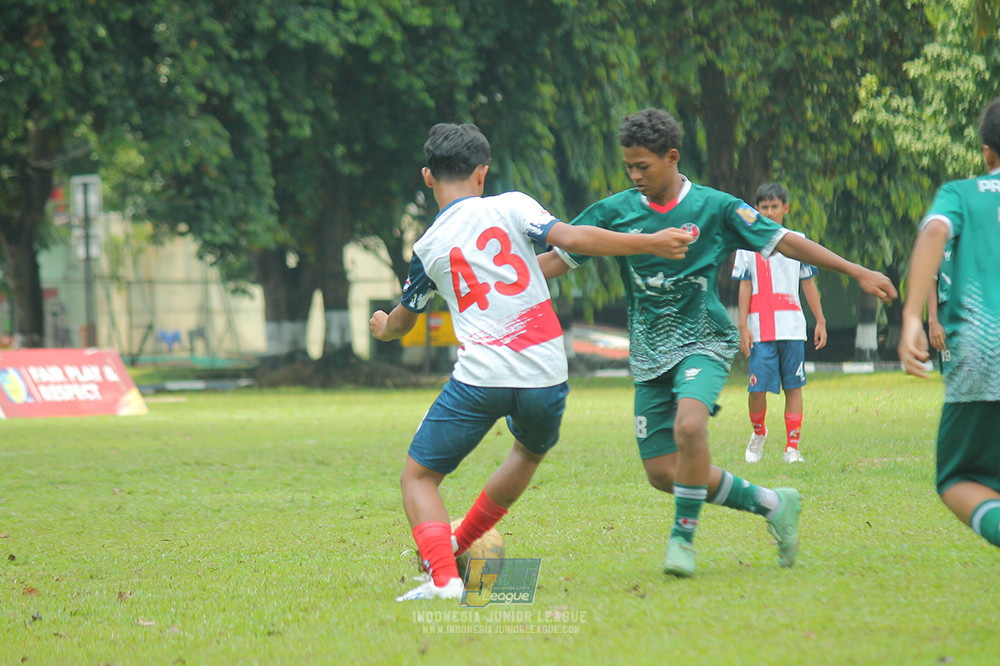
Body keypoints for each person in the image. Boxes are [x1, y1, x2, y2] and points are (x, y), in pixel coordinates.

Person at [539, 108, 896, 577]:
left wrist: (856, 270)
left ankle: (682, 540)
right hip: (649, 353)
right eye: (628, 167)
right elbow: (557, 260)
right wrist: (495, 282)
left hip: (703, 340)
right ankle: (773, 504)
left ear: (672, 158)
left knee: (690, 428)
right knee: (663, 472)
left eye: (643, 166)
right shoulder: (615, 211)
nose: (635, 175)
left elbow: (785, 241)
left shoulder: (717, 207)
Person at [370, 122, 694, 601]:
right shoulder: (513, 205)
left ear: (427, 176)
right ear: (482, 174)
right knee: (526, 453)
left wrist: (382, 326)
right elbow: (572, 239)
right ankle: (458, 543)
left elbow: (401, 322)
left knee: (418, 478)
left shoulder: (428, 247)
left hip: (481, 378)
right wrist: (648, 241)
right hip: (547, 375)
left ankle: (444, 579)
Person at [898, 95, 1000, 549]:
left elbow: (936, 230)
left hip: (982, 352)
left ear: (987, 152)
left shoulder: (961, 194)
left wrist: (911, 318)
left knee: (957, 478)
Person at [732, 183, 827, 464]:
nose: (770, 212)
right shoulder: (747, 245)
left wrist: (820, 320)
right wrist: (742, 325)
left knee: (794, 387)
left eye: (775, 207)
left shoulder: (799, 241)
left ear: (785, 208)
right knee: (756, 388)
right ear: (756, 210)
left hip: (793, 328)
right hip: (760, 329)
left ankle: (792, 447)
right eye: (764, 207)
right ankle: (758, 432)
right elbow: (745, 286)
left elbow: (808, 283)